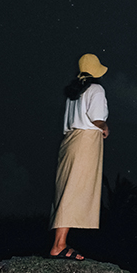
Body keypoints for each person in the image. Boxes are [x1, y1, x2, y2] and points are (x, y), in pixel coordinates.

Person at [48, 53, 110, 260]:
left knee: (66, 188)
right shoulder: (96, 89)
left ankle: (60, 242)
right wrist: (105, 127)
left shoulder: (74, 92)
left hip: (69, 141)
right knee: (74, 190)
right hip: (85, 142)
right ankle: (59, 245)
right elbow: (97, 118)